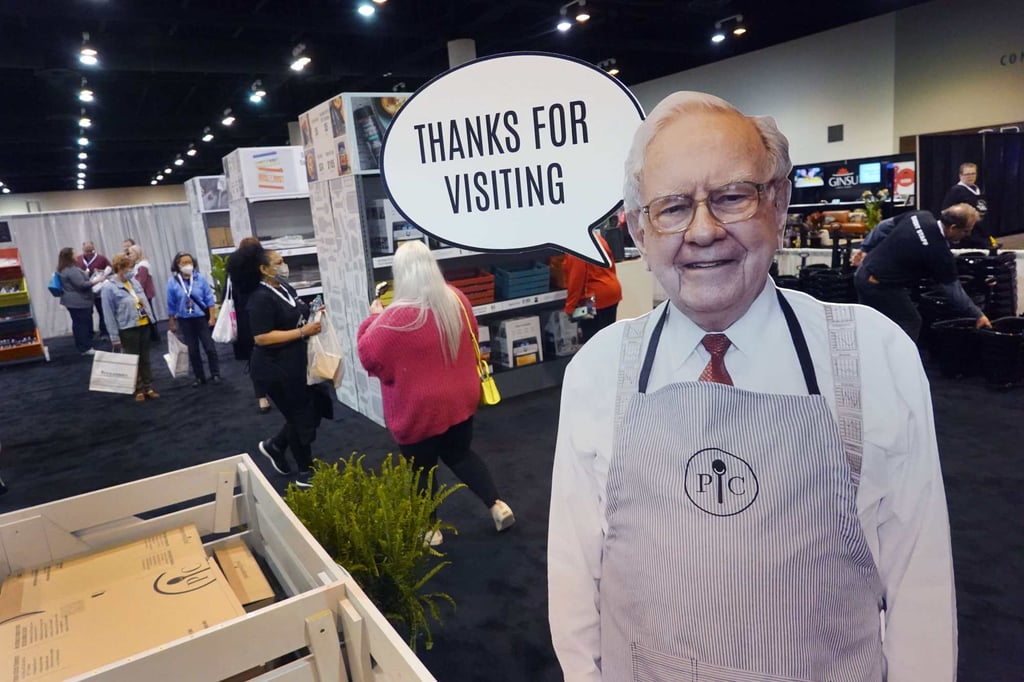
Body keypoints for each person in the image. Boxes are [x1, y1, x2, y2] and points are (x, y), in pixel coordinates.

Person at [548, 92, 957, 682]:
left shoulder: (873, 354)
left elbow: (920, 580)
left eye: (732, 197)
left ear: (780, 200)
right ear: (638, 229)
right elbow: (574, 574)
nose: (704, 231)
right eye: (671, 208)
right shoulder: (598, 371)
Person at [357, 241, 514, 545]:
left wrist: (372, 317)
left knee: (421, 469)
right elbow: (472, 339)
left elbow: (369, 358)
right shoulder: (457, 299)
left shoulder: (393, 319)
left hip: (418, 409)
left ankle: (431, 529)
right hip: (461, 398)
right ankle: (497, 505)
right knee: (461, 454)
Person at [246, 247, 330, 488]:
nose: (284, 266)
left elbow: (297, 312)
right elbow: (261, 337)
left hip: (296, 363)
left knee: (313, 408)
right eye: (279, 262)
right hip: (274, 369)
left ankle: (276, 445)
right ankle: (305, 471)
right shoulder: (259, 298)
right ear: (263, 269)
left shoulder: (285, 288)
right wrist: (301, 331)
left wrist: (313, 313)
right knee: (300, 416)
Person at [855, 204, 991, 342]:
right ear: (953, 228)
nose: (967, 235)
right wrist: (978, 315)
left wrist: (865, 248)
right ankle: (902, 361)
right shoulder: (939, 253)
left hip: (863, 272)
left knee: (870, 323)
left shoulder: (920, 216)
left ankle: (874, 356)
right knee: (910, 321)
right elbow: (953, 291)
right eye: (966, 231)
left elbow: (884, 226)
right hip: (879, 284)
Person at [101, 254, 158, 402]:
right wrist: (114, 336)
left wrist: (152, 319)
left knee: (145, 358)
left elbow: (144, 301)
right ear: (120, 268)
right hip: (127, 328)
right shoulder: (109, 288)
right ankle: (137, 389)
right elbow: (108, 314)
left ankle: (148, 387)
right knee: (132, 359)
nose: (131, 271)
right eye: (129, 268)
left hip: (144, 324)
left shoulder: (134, 282)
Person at [226, 237, 273, 413]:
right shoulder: (261, 271)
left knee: (254, 358)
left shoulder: (234, 270)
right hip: (259, 318)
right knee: (260, 356)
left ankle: (262, 396)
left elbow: (227, 294)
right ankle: (264, 393)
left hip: (244, 319)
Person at [166, 252, 221, 387]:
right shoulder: (173, 282)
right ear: (178, 265)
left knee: (209, 347)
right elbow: (171, 303)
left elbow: (209, 298)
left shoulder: (200, 279)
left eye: (189, 262)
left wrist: (212, 317)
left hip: (201, 318)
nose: (187, 265)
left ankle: (215, 374)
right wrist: (172, 321)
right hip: (185, 320)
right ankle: (199, 377)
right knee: (193, 350)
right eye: (184, 263)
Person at [561, 232, 623, 343]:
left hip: (591, 300)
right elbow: (611, 265)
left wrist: (570, 307)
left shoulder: (576, 245)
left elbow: (576, 278)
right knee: (608, 338)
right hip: (611, 292)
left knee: (591, 341)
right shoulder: (597, 238)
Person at [57, 247, 103, 356]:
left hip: (73, 302)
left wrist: (85, 275)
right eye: (74, 254)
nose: (77, 255)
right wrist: (96, 281)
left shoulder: (64, 269)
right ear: (70, 256)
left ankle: (82, 346)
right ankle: (85, 347)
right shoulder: (71, 269)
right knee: (82, 325)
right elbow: (81, 285)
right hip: (79, 302)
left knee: (78, 324)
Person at [941, 162, 988, 248]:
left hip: (979, 230)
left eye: (973, 173)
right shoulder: (956, 191)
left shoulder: (977, 189)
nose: (970, 176)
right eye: (967, 174)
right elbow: (945, 212)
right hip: (966, 234)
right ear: (961, 175)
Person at [75, 241, 111, 340]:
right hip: (85, 291)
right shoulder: (78, 260)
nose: (89, 253)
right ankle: (89, 332)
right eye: (87, 251)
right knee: (87, 313)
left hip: (99, 290)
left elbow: (110, 269)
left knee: (102, 311)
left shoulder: (101, 258)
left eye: (91, 250)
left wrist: (103, 273)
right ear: (83, 250)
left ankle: (104, 332)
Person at [127, 244, 159, 342]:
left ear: (137, 253)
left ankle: (153, 336)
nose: (129, 256)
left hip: (143, 295)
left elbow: (141, 282)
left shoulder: (142, 266)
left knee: (147, 315)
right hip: (142, 294)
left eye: (131, 253)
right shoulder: (139, 265)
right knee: (146, 314)